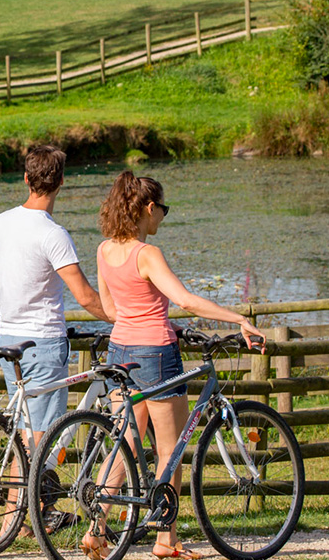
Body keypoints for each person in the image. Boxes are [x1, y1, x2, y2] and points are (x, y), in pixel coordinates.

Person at [82, 171, 265, 560]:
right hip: (156, 355)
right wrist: (239, 320)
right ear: (148, 208)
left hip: (121, 351)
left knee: (126, 442)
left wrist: (151, 317)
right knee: (170, 449)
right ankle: (166, 540)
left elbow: (113, 310)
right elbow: (187, 299)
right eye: (162, 210)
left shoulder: (104, 250)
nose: (163, 217)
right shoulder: (147, 254)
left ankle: (96, 530)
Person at [0, 145, 114, 537]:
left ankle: (22, 519)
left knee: (26, 429)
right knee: (39, 435)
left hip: (8, 334)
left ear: (26, 179)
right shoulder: (53, 234)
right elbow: (85, 296)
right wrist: (124, 317)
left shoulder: (1, 222)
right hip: (42, 340)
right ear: (61, 182)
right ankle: (17, 519)